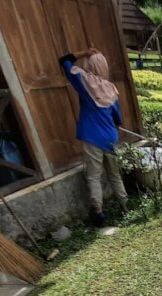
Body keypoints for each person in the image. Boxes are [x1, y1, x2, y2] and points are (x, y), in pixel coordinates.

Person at [59, 49, 129, 227]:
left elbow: (65, 61)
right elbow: (117, 119)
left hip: (92, 138)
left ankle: (98, 212)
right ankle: (125, 205)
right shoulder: (111, 89)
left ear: (89, 66)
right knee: (115, 175)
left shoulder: (83, 81)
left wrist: (83, 53)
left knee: (93, 176)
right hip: (110, 137)